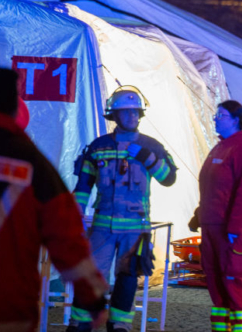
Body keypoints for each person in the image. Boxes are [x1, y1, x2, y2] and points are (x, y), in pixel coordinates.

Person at [0, 63, 108, 331]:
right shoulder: (34, 167)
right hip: (7, 314)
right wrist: (93, 299)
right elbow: (67, 239)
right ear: (15, 107)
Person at [69, 86, 177, 332]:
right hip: (102, 227)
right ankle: (80, 325)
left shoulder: (152, 146)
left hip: (135, 228)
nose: (133, 117)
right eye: (126, 112)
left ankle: (119, 326)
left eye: (136, 112)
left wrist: (148, 158)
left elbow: (169, 179)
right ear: (114, 116)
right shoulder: (98, 147)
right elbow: (83, 185)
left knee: (128, 279)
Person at [191, 100, 242, 332]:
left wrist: (234, 230)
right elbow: (213, 188)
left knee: (233, 280)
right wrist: (198, 216)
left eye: (221, 115)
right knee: (215, 281)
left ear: (235, 120)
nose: (215, 118)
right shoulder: (221, 146)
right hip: (212, 226)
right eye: (216, 114)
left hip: (230, 230)